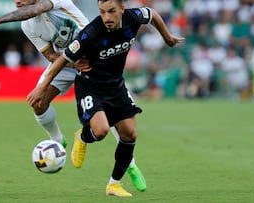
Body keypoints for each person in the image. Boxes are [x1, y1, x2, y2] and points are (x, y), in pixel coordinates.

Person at [0, 0, 147, 192]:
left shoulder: (56, 1)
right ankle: (57, 140)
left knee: (116, 118)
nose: (18, 1)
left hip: (95, 60)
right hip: (66, 63)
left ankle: (131, 166)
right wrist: (73, 64)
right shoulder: (27, 26)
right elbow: (51, 55)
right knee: (38, 102)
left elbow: (35, 9)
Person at [26, 0, 184, 197]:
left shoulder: (134, 17)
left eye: (111, 12)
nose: (107, 17)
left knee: (130, 134)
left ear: (122, 10)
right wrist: (42, 88)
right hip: (90, 84)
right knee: (100, 131)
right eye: (102, 12)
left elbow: (152, 14)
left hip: (116, 84)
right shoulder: (91, 32)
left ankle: (114, 184)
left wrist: (167, 37)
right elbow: (62, 59)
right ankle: (82, 137)